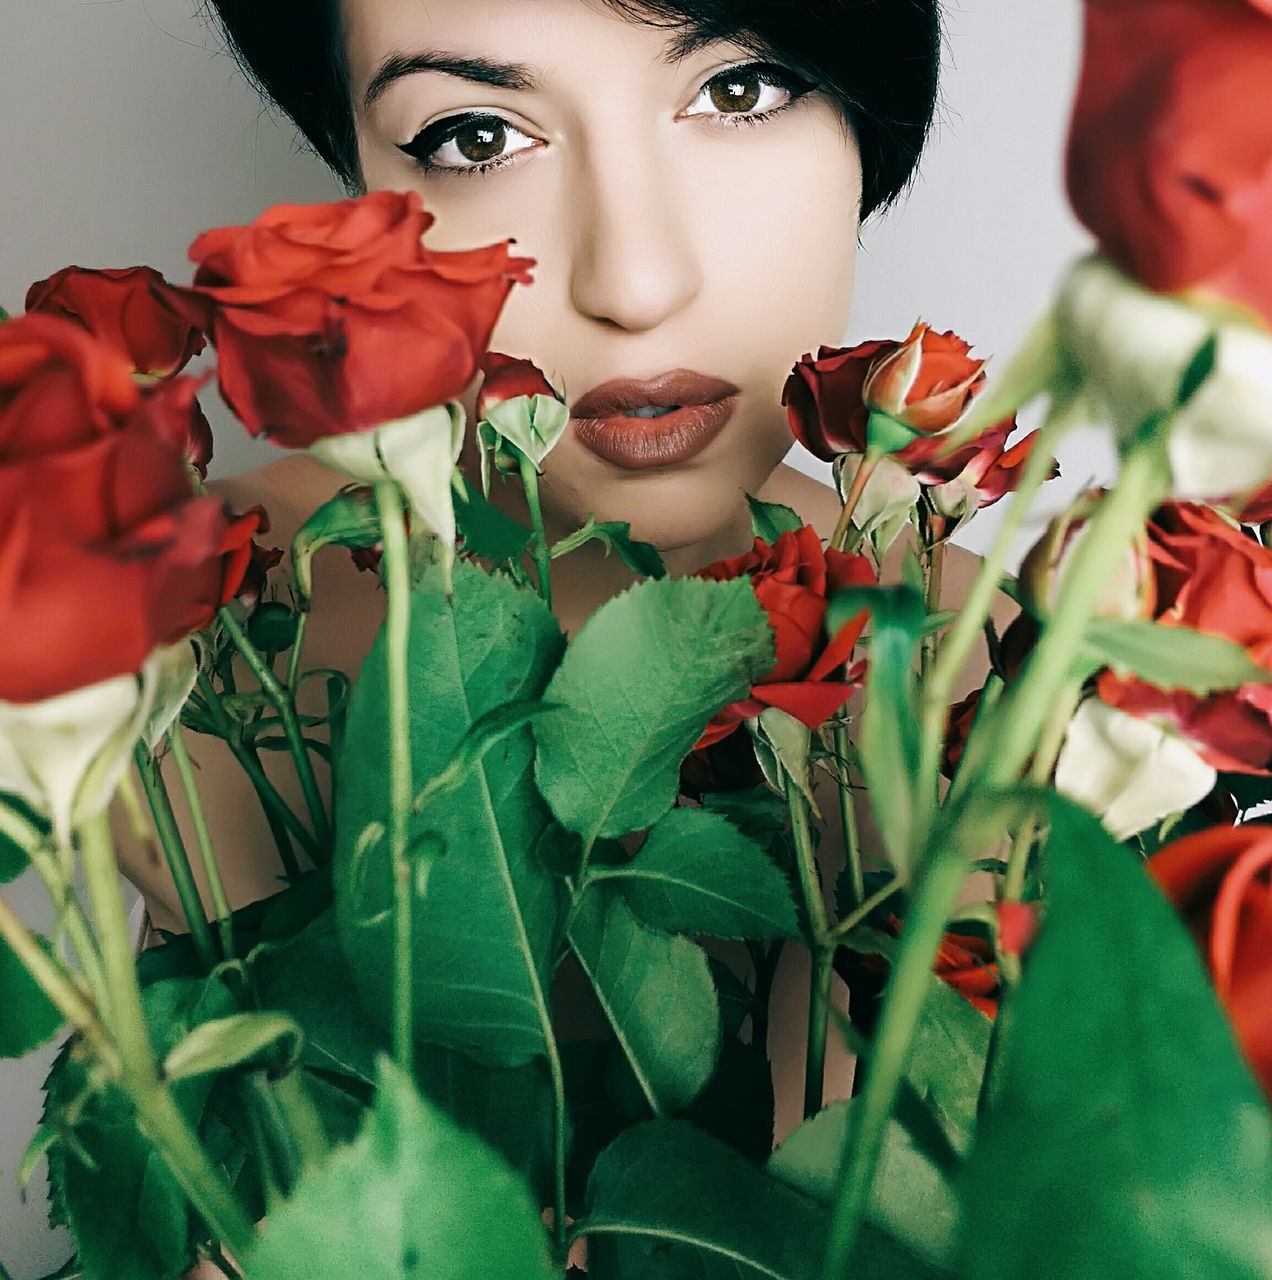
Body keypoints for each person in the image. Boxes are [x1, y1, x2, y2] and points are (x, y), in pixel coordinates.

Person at [119, 0, 985, 1166]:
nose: (633, 281)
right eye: (474, 138)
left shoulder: (1029, 673)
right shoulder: (166, 631)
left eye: (740, 92)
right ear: (359, 184)